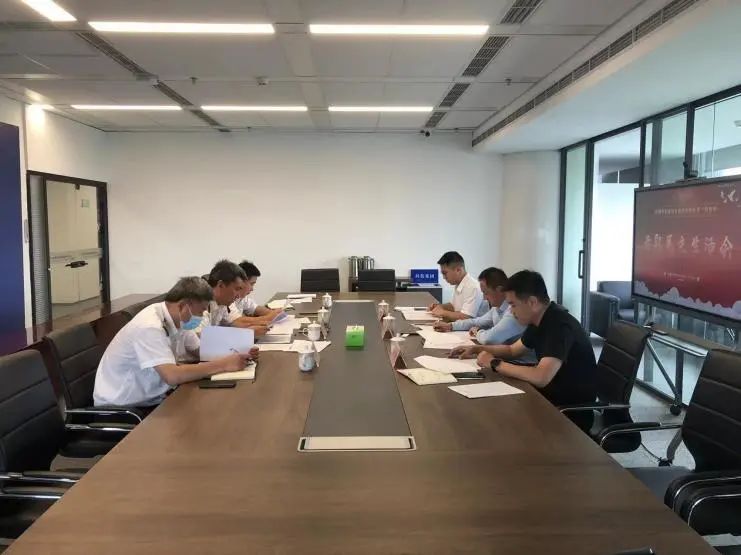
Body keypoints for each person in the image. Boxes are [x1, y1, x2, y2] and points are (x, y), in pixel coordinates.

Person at [451, 270, 597, 432]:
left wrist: (494, 363)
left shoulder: (558, 325)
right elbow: (512, 350)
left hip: (568, 412)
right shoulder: (540, 318)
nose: (511, 311)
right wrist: (477, 349)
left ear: (532, 302)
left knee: (494, 423)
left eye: (513, 305)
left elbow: (541, 377)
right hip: (547, 397)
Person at [93, 276, 258, 409]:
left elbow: (200, 350)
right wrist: (224, 364)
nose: (202, 316)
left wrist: (239, 351)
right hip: (123, 408)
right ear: (183, 306)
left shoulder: (178, 319)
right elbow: (172, 375)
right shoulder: (149, 326)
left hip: (153, 397)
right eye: (201, 311)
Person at [434, 267, 525, 346]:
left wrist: (478, 332)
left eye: (486, 293)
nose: (484, 298)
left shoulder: (513, 311)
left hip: (517, 359)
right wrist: (451, 326)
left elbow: (490, 339)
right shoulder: (496, 308)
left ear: (499, 290)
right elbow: (476, 321)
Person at [428, 251, 483, 322]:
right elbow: (454, 306)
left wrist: (443, 312)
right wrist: (440, 306)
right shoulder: (459, 284)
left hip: (472, 327)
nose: (444, 277)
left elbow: (466, 317)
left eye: (445, 273)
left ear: (458, 270)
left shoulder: (473, 287)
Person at [231, 260, 283, 326]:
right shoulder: (228, 298)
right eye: (251, 284)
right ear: (241, 282)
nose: (252, 289)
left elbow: (255, 308)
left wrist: (273, 313)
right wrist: (268, 317)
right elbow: (237, 320)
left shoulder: (242, 298)